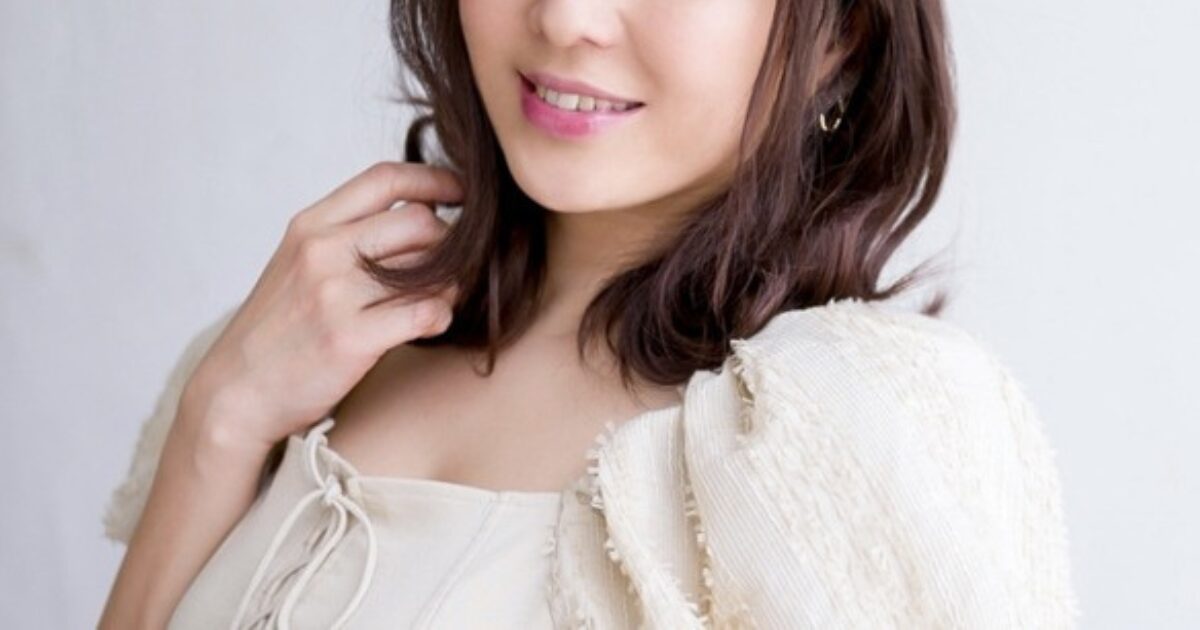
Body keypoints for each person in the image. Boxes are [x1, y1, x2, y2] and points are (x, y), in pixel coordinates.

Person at [99, 0, 1081, 628]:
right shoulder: (296, 353)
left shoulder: (848, 429)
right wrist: (218, 420)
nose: (566, 19)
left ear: (841, 32)